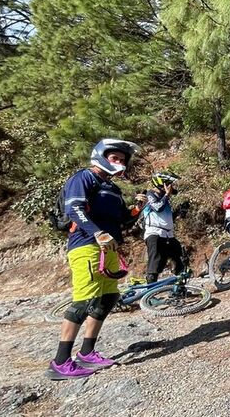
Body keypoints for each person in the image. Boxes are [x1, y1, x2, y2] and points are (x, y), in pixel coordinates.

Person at [47, 139, 143, 380]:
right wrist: (97, 232)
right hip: (86, 245)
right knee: (84, 300)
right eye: (115, 158)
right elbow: (74, 209)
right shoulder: (83, 178)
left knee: (109, 297)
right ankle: (60, 362)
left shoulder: (111, 188)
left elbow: (123, 218)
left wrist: (138, 208)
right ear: (101, 156)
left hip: (109, 248)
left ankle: (87, 352)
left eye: (122, 160)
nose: (120, 163)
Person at [141, 172, 185, 284]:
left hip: (168, 235)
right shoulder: (149, 194)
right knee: (155, 264)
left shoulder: (163, 198)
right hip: (154, 234)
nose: (171, 186)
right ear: (162, 184)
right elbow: (158, 208)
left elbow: (166, 218)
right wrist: (166, 195)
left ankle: (179, 288)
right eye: (169, 184)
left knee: (179, 259)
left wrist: (179, 211)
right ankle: (149, 295)